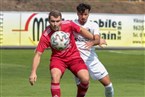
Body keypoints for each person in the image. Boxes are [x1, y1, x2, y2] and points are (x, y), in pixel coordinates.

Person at [29, 10, 97, 97]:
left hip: (74, 57)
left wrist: (94, 38)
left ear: (61, 20)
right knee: (55, 76)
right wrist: (33, 72)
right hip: (58, 59)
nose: (55, 24)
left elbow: (81, 30)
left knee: (85, 79)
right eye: (52, 21)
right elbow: (38, 54)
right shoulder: (46, 35)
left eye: (57, 21)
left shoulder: (68, 24)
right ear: (49, 21)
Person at [73, 3, 114, 97]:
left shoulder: (93, 25)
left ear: (89, 14)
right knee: (82, 90)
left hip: (91, 60)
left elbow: (96, 38)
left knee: (108, 86)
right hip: (76, 61)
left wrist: (93, 42)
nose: (83, 17)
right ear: (77, 13)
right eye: (81, 14)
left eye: (85, 14)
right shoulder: (72, 24)